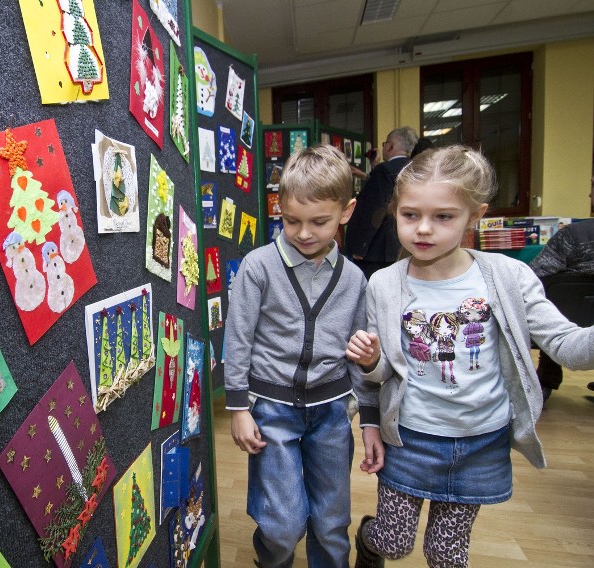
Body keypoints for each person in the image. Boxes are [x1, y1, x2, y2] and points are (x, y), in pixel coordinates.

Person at [346, 146, 594, 568]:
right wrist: (370, 363)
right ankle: (369, 542)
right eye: (410, 215)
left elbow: (569, 347)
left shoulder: (508, 278)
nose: (423, 229)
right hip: (409, 440)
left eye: (443, 217)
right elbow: (383, 373)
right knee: (394, 542)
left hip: (481, 443)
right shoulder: (383, 285)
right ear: (395, 212)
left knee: (447, 555)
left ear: (474, 216)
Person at [225, 145, 383, 568]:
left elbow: (359, 356)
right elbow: (237, 340)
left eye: (320, 222)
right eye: (291, 220)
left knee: (332, 524)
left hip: (331, 415)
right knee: (282, 525)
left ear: (346, 212)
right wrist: (239, 408)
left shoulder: (354, 280)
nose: (304, 233)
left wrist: (368, 417)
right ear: (279, 207)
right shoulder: (257, 268)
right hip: (271, 413)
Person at [529, 179, 594, 399]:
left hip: (569, 318)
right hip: (573, 336)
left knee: (553, 302)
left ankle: (546, 380)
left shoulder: (573, 236)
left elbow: (535, 274)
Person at [344, 127, 418, 279]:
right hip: (402, 245)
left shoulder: (384, 171)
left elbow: (376, 209)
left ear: (390, 146)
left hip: (377, 248)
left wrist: (361, 246)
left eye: (385, 144)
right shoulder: (415, 168)